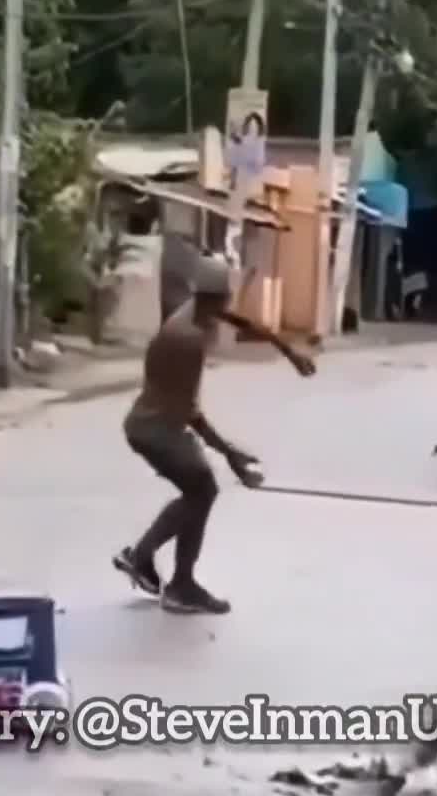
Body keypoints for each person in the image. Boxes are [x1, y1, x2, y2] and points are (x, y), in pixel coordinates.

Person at [113, 254, 316, 615]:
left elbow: (241, 321)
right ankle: (176, 582)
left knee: (199, 492)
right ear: (220, 296)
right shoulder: (187, 338)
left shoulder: (197, 311)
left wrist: (289, 351)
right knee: (202, 489)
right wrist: (231, 455)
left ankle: (147, 560)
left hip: (152, 423)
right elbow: (189, 411)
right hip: (157, 429)